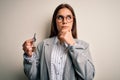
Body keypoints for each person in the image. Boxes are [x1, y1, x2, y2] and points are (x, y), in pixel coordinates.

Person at [22, 3, 95, 80]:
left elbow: (88, 76)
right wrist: (29, 56)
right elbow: (32, 76)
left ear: (73, 21)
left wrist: (72, 44)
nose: (64, 21)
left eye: (69, 17)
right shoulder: (42, 45)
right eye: (60, 17)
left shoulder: (84, 46)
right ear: (55, 21)